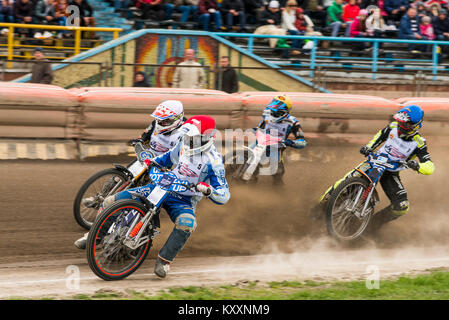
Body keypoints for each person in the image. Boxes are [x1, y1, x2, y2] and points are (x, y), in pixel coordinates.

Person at [84, 115, 230, 278]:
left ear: (207, 138)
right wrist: (152, 162)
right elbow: (166, 158)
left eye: (193, 138)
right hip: (162, 185)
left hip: (183, 200)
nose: (188, 140)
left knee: (187, 224)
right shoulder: (182, 145)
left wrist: (209, 190)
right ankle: (94, 237)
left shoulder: (214, 162)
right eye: (187, 136)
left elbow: (224, 195)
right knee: (110, 201)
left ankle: (164, 261)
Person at [74, 100, 187, 249]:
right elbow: (144, 135)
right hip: (147, 159)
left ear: (176, 119)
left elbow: (186, 160)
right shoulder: (156, 124)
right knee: (120, 176)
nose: (160, 122)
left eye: (164, 120)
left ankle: (130, 229)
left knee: (145, 202)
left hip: (165, 171)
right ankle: (100, 198)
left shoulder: (186, 133)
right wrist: (139, 141)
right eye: (159, 119)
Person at [310, 105, 435, 232]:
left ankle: (371, 227)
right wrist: (369, 147)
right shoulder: (392, 127)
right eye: (400, 122)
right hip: (374, 162)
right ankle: (319, 208)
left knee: (402, 207)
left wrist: (417, 165)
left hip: (391, 172)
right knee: (345, 181)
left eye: (405, 124)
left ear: (415, 125)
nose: (401, 126)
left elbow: (430, 167)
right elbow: (379, 136)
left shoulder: (419, 143)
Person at [252, 94, 307, 184]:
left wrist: (290, 142)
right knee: (242, 155)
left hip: (276, 149)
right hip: (260, 144)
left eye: (277, 113)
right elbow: (259, 128)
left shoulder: (293, 122)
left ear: (284, 111)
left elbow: (302, 142)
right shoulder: (267, 114)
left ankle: (277, 191)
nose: (274, 114)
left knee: (278, 172)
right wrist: (256, 130)